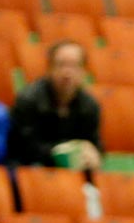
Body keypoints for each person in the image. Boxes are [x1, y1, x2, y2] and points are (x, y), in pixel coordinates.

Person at [8, 40, 102, 170]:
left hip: (73, 170)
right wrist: (63, 152)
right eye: (61, 65)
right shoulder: (28, 100)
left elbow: (95, 143)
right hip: (31, 168)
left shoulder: (90, 106)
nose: (67, 73)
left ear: (83, 71)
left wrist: (93, 155)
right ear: (49, 68)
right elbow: (24, 147)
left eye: (74, 66)